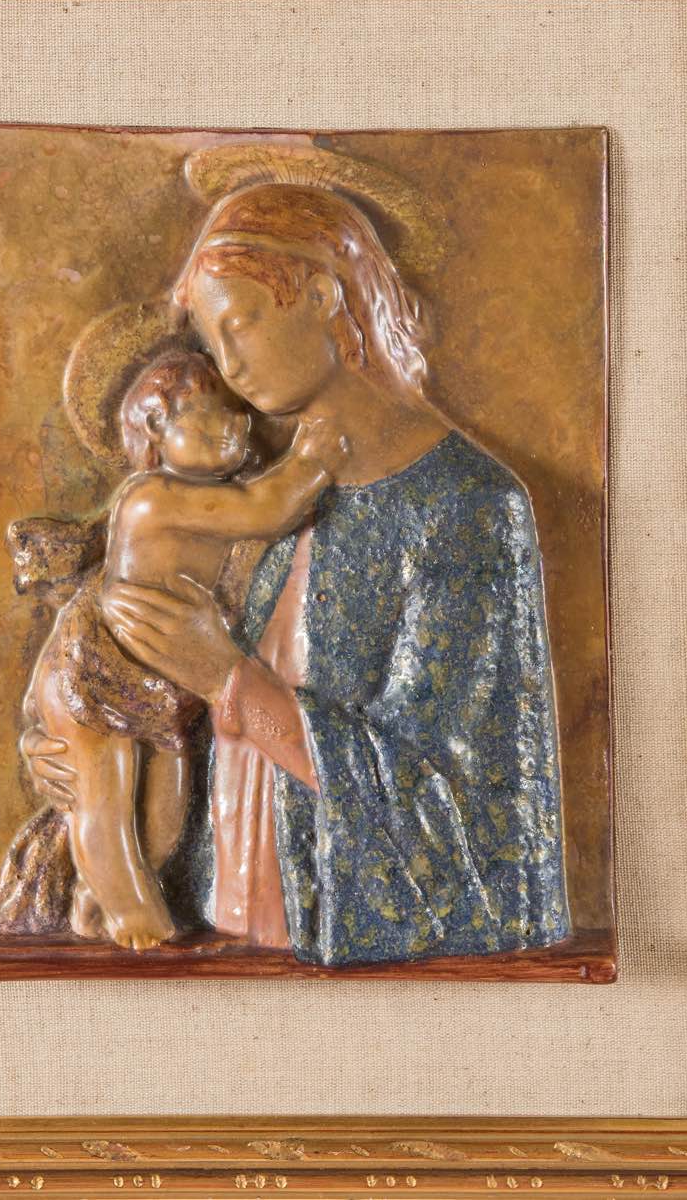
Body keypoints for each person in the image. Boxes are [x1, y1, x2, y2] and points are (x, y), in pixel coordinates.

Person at [89, 181, 572, 966]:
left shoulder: (468, 506)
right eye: (212, 340)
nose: (228, 365)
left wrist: (229, 680)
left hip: (364, 954)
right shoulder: (271, 500)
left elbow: (463, 818)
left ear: (320, 296)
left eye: (241, 322)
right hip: (224, 926)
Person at [0, 347, 347, 950]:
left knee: (164, 814)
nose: (236, 425)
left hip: (161, 688)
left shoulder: (209, 497)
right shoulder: (153, 498)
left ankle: (97, 897)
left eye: (238, 414)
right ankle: (132, 912)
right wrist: (316, 456)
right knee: (103, 795)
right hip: (98, 672)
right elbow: (267, 508)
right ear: (157, 427)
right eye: (211, 416)